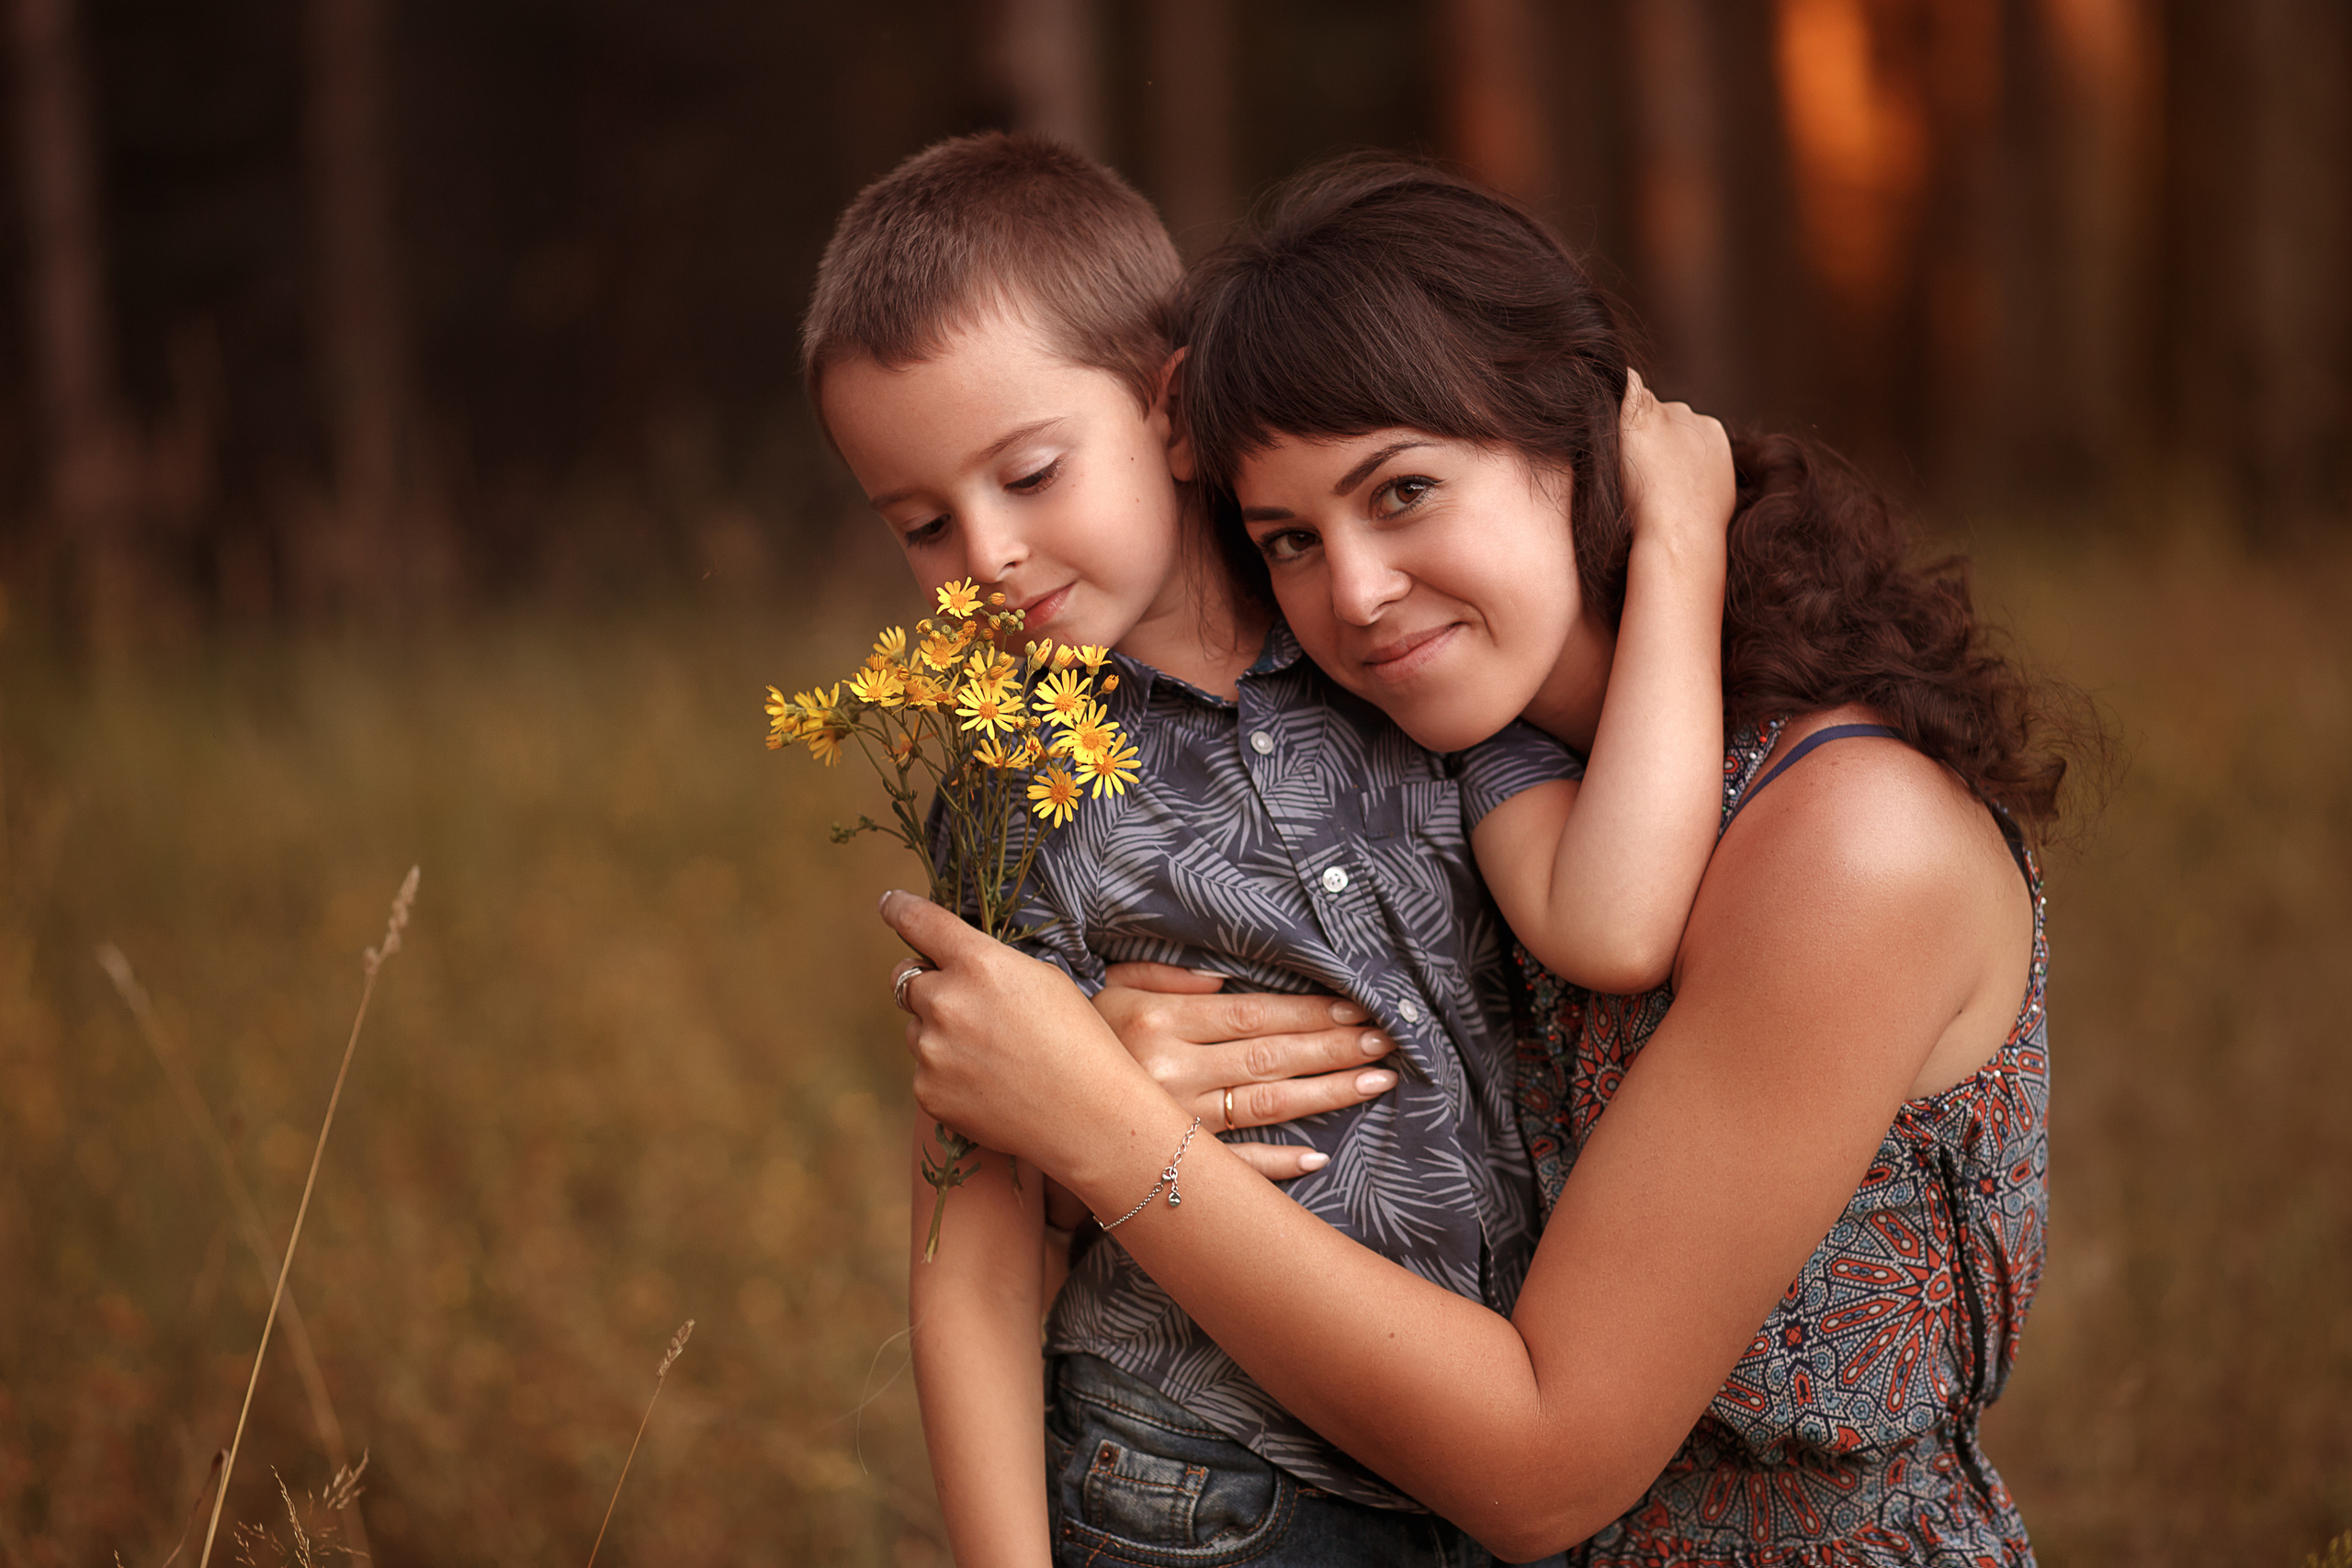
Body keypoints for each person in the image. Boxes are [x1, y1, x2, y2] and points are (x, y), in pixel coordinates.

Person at [883, 161, 2094, 1564]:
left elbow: (1537, 1471)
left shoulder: (1847, 841)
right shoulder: (1426, 756)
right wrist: (1106, 1045)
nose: (1355, 594)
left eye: (1404, 492)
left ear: (1577, 442)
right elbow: (972, 1197)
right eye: (1289, 538)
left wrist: (1108, 1130)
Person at [804, 137, 1738, 1566]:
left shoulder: (1376, 640)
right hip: (1197, 1482)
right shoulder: (1013, 778)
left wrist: (1683, 549)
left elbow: (1609, 920)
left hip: (1485, 1455)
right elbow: (975, 1266)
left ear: (1174, 413)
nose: (985, 555)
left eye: (1032, 474)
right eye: (924, 525)